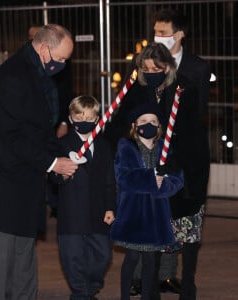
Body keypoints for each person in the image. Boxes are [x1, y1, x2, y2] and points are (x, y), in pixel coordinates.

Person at [0, 24, 78, 300]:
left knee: (24, 269)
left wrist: (61, 159)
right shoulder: (12, 75)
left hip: (22, 188)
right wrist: (51, 163)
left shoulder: (38, 74)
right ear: (44, 48)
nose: (63, 66)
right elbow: (10, 136)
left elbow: (41, 130)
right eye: (60, 59)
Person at [127, 10, 211, 298]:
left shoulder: (196, 68)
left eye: (163, 32)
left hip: (182, 154)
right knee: (149, 217)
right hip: (150, 151)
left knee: (180, 221)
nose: (158, 36)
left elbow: (197, 114)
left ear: (179, 34)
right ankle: (141, 277)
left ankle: (168, 276)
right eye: (155, 31)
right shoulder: (143, 66)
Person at [110, 102, 183, 300]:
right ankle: (125, 296)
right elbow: (123, 177)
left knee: (151, 260)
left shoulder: (165, 149)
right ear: (134, 126)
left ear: (160, 126)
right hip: (133, 212)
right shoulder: (127, 147)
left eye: (153, 121)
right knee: (132, 257)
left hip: (157, 213)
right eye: (143, 121)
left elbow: (177, 179)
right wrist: (150, 178)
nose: (148, 125)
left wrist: (162, 186)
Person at [50, 95, 116, 300]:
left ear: (97, 120)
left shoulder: (104, 146)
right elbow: (53, 177)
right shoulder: (62, 144)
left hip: (98, 211)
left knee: (103, 255)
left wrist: (110, 207)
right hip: (72, 212)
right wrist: (61, 174)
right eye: (78, 117)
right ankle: (80, 293)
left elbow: (109, 180)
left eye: (89, 118)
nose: (83, 122)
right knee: (73, 257)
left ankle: (91, 287)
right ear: (70, 119)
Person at [28, 23, 74, 218]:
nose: (63, 62)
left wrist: (64, 121)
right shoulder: (24, 74)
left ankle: (55, 205)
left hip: (53, 123)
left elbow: (66, 92)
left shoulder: (54, 66)